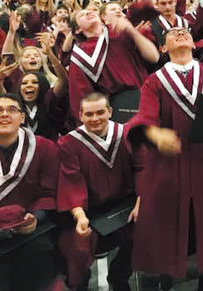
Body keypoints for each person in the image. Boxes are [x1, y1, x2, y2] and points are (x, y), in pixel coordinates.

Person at [125, 27, 203, 288]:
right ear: (162, 48)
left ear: (194, 43)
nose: (180, 33)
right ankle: (167, 274)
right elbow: (145, 114)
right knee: (168, 218)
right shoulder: (155, 81)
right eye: (173, 33)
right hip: (170, 162)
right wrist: (155, 133)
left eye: (185, 32)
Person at [57, 92, 138, 291]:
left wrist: (140, 202)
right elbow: (71, 181)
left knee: (144, 231)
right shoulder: (69, 143)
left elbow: (143, 169)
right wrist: (80, 216)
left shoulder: (127, 134)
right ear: (81, 115)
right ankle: (80, 282)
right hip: (90, 209)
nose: (95, 119)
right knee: (75, 245)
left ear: (110, 112)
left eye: (100, 112)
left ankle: (120, 276)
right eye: (89, 114)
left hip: (125, 205)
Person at [0, 92, 60, 291]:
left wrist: (35, 217)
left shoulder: (44, 148)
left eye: (12, 109)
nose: (5, 114)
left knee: (39, 257)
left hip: (30, 230)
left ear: (22, 117)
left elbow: (48, 192)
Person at [68, 7, 159, 119]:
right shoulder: (81, 54)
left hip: (144, 97)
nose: (89, 12)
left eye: (92, 11)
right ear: (77, 30)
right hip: (114, 109)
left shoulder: (119, 31)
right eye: (82, 15)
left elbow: (154, 57)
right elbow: (80, 94)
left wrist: (132, 31)